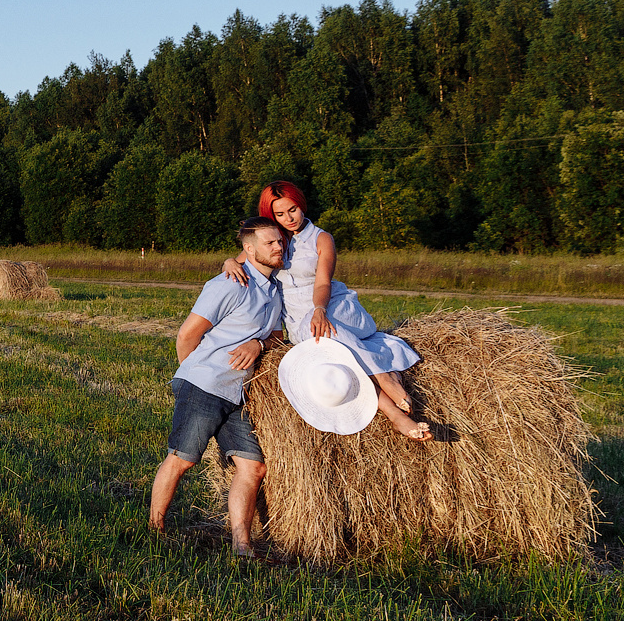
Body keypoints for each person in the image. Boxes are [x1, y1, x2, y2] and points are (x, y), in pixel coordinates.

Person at [225, 179, 431, 442]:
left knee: (329, 333)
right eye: (279, 214)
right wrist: (229, 261)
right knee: (334, 354)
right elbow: (241, 257)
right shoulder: (271, 240)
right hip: (298, 316)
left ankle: (388, 391)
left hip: (331, 303)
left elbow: (323, 281)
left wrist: (320, 309)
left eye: (293, 209)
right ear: (270, 215)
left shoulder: (321, 238)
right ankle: (387, 392)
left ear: (302, 205)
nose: (289, 218)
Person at [151, 214, 287, 558]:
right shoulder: (229, 283)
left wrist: (259, 345)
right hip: (206, 383)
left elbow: (276, 337)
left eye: (280, 241)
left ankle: (242, 545)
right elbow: (187, 334)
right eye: (269, 242)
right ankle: (154, 530)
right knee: (183, 459)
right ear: (249, 249)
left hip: (239, 391)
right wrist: (194, 375)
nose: (278, 246)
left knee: (253, 466)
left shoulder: (275, 290)